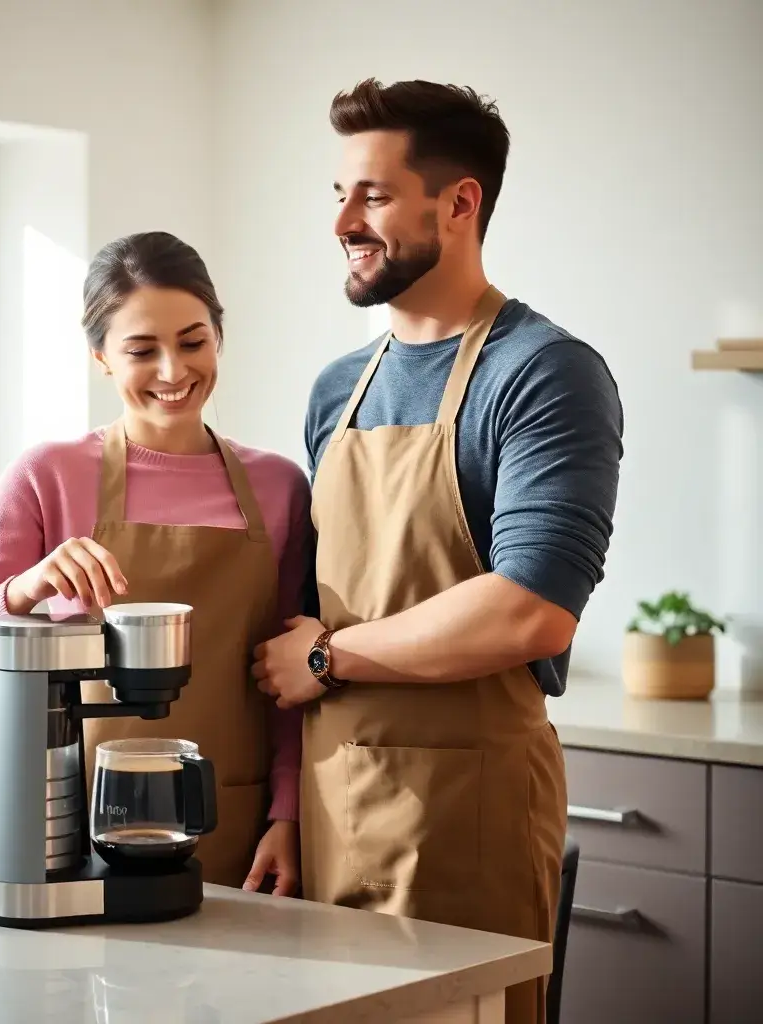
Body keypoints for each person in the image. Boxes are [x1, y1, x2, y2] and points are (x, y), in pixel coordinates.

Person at [252, 79, 623, 1024]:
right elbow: (305, 612)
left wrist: (330, 659)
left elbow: (528, 607)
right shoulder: (339, 386)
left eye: (371, 195)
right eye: (338, 194)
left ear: (460, 203)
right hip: (336, 818)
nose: (342, 219)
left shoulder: (543, 371)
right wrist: (289, 812)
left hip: (468, 825)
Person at [0, 230, 312, 897]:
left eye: (193, 341)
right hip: (74, 827)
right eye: (141, 350)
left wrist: (289, 814)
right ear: (100, 357)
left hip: (236, 826)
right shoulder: (47, 475)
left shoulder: (279, 487)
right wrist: (25, 588)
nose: (172, 371)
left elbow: (290, 685)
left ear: (219, 335)